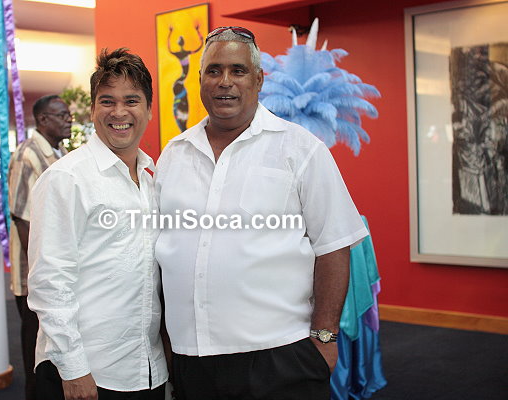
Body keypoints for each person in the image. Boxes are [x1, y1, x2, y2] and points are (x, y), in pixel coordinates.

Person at [155, 27, 369, 399]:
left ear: (258, 79)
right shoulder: (174, 154)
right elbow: (162, 249)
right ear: (200, 79)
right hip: (192, 358)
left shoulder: (300, 148)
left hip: (279, 356)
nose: (225, 81)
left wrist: (324, 337)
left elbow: (334, 245)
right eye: (214, 70)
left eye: (237, 70)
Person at [27, 48, 167, 400]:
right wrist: (74, 368)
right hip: (86, 372)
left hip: (145, 368)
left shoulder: (152, 179)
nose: (119, 112)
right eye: (107, 101)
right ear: (92, 109)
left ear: (149, 109)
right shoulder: (67, 178)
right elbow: (49, 283)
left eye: (131, 100)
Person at [8, 94, 72, 400]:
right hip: (34, 278)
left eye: (69, 114)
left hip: (55, 273)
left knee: (56, 353)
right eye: (62, 115)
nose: (69, 119)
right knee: (36, 357)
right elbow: (22, 219)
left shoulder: (60, 153)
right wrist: (40, 275)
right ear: (43, 119)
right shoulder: (27, 155)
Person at [167, 25, 203, 132]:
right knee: (182, 99)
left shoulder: (181, 53)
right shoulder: (184, 53)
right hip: (181, 79)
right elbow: (200, 46)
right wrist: (198, 32)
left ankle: (182, 123)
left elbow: (169, 48)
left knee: (182, 99)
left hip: (182, 79)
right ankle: (182, 123)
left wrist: (170, 33)